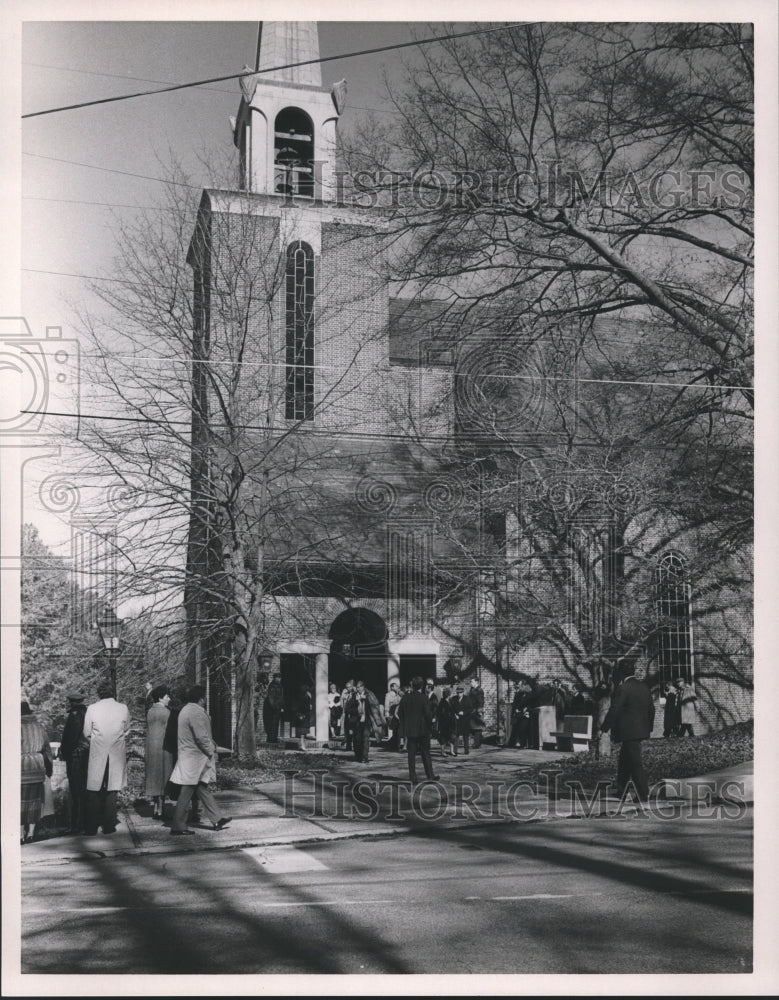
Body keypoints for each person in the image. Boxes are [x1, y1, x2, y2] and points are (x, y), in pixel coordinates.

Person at [169, 684, 232, 836]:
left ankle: (217, 819)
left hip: (189, 755)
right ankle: (178, 825)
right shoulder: (195, 712)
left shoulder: (185, 710)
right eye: (204, 697)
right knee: (188, 790)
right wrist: (212, 750)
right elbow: (201, 736)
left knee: (201, 787)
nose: (205, 700)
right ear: (201, 698)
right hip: (195, 757)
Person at [600, 664, 655, 804]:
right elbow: (652, 710)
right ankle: (621, 791)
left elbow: (615, 708)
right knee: (624, 763)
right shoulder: (644, 687)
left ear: (621, 675)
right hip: (640, 730)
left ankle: (643, 794)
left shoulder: (623, 688)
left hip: (628, 731)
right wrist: (648, 728)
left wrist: (605, 728)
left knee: (635, 764)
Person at [83, 681, 131, 836]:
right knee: (112, 788)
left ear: (99, 694)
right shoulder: (122, 708)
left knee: (94, 789)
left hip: (98, 751)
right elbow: (127, 729)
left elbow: (86, 732)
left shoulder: (92, 709)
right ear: (113, 693)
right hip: (116, 752)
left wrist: (97, 741)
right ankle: (109, 825)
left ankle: (91, 826)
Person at [21, 701, 53, 844]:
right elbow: (47, 749)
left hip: (21, 766)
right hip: (37, 765)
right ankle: (32, 833)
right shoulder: (39, 727)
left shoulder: (15, 727)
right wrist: (49, 767)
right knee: (35, 799)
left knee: (20, 800)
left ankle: (21, 833)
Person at [398, 676, 439, 783]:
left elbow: (400, 713)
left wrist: (405, 724)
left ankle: (413, 777)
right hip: (423, 729)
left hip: (410, 730)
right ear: (421, 686)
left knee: (411, 755)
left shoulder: (405, 698)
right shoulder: (424, 698)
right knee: (426, 753)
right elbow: (428, 714)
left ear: (412, 685)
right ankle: (430, 775)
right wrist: (430, 725)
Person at [58, 692, 89, 833]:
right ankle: (82, 822)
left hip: (76, 755)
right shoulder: (86, 712)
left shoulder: (75, 714)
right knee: (82, 789)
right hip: (84, 753)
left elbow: (72, 736)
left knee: (77, 790)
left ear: (72, 702)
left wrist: (64, 750)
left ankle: (78, 824)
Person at [145, 684, 173, 819]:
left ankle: (156, 807)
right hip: (164, 748)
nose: (169, 699)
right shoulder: (167, 713)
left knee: (154, 777)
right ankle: (161, 809)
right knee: (163, 778)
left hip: (151, 748)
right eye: (167, 696)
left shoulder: (150, 711)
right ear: (161, 698)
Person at [345, 679, 383, 764]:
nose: (358, 689)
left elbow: (375, 705)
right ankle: (358, 756)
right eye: (357, 687)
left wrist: (365, 700)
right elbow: (347, 709)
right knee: (357, 739)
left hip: (366, 721)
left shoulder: (369, 695)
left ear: (363, 687)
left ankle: (364, 757)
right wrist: (357, 703)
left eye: (359, 687)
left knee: (365, 738)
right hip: (356, 721)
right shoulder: (354, 696)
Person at [507, 681, 531, 748]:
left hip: (525, 714)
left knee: (523, 729)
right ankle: (512, 744)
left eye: (520, 686)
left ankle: (523, 744)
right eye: (519, 686)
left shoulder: (529, 694)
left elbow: (530, 703)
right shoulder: (518, 694)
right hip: (517, 714)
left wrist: (527, 709)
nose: (519, 687)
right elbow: (515, 704)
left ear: (524, 686)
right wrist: (514, 713)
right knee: (515, 729)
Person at [450, 684, 473, 755]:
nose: (459, 694)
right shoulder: (453, 699)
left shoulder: (467, 699)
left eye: (460, 692)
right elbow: (451, 709)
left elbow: (470, 709)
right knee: (456, 735)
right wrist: (455, 714)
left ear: (463, 692)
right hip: (457, 720)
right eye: (458, 693)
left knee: (465, 735)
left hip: (465, 720)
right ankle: (455, 750)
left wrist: (464, 712)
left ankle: (466, 750)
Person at [263, 672, 284, 744]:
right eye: (277, 678)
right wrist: (274, 707)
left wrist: (281, 706)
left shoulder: (279, 686)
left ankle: (274, 738)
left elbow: (280, 698)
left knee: (276, 724)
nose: (279, 679)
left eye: (279, 678)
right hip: (273, 709)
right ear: (274, 678)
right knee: (271, 723)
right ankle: (271, 739)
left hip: (277, 708)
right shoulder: (272, 686)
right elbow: (271, 698)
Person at [435, 687, 456, 756]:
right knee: (443, 737)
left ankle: (452, 751)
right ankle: (443, 752)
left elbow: (453, 710)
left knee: (452, 736)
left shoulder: (451, 701)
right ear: (448, 695)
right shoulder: (442, 703)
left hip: (451, 722)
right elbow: (440, 713)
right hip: (444, 723)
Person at [293, 684, 313, 750]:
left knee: (303, 733)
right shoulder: (303, 697)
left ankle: (302, 745)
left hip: (304, 716)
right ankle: (302, 745)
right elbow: (302, 707)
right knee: (302, 733)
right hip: (303, 716)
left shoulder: (304, 697)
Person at [384, 681, 401, 750]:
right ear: (391, 687)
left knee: (397, 730)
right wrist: (387, 714)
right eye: (395, 686)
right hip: (391, 714)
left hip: (398, 714)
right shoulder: (388, 695)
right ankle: (394, 745)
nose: (397, 687)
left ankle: (396, 745)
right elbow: (386, 705)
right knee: (394, 729)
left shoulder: (398, 695)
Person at [469, 677, 485, 748]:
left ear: (476, 682)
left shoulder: (479, 690)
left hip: (476, 711)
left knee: (477, 727)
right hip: (472, 711)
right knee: (474, 727)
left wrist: (479, 711)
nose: (470, 683)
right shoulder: (472, 689)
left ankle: (477, 744)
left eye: (472, 682)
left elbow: (481, 701)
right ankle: (478, 742)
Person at [341, 679, 356, 751]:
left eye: (350, 687)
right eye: (347, 687)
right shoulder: (345, 693)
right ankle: (348, 745)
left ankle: (355, 745)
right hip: (346, 713)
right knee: (347, 729)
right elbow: (342, 702)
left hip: (353, 714)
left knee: (353, 729)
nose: (348, 688)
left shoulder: (355, 693)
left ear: (352, 686)